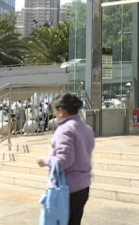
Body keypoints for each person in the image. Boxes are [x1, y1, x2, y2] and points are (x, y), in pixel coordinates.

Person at [36, 93, 94, 225]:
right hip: (83, 186)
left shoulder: (64, 130)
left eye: (54, 110)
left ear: (61, 111)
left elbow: (64, 161)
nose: (54, 114)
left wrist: (45, 160)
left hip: (67, 188)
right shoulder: (86, 128)